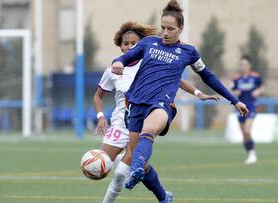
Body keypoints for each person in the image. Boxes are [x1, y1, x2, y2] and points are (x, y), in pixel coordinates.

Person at [111, 0, 249, 194]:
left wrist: (235, 100)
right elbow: (124, 58)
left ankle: (135, 170)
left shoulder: (188, 52)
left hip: (161, 103)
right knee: (139, 158)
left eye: (171, 29)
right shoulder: (148, 43)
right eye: (163, 28)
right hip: (136, 103)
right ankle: (163, 196)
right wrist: (118, 62)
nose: (166, 33)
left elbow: (208, 76)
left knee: (148, 132)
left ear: (181, 28)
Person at [94, 21, 220, 203]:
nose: (129, 47)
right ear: (120, 46)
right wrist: (100, 117)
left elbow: (179, 80)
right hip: (119, 123)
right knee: (100, 166)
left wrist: (198, 93)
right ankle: (162, 195)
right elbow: (98, 96)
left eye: (134, 43)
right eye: (125, 43)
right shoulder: (114, 69)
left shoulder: (150, 61)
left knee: (121, 172)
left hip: (141, 120)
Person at [231, 55, 264, 164]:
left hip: (251, 106)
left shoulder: (255, 77)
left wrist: (258, 91)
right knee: (244, 133)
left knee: (247, 130)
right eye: (241, 64)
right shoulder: (236, 78)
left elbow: (262, 86)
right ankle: (250, 153)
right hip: (240, 108)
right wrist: (236, 92)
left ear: (249, 66)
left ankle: (252, 154)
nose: (243, 66)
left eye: (245, 64)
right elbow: (232, 90)